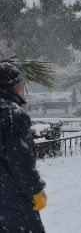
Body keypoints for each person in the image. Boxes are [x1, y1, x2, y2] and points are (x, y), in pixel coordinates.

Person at [0, 62, 47, 232]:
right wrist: (36, 190)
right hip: (12, 197)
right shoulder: (13, 115)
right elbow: (20, 159)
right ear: (14, 85)